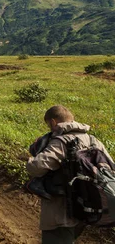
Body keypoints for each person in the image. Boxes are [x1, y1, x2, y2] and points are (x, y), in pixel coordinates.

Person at [26, 105, 114, 244]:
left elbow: (37, 168)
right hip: (85, 206)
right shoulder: (93, 140)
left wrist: (30, 160)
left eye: (49, 124)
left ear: (54, 122)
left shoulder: (60, 142)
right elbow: (110, 168)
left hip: (61, 210)